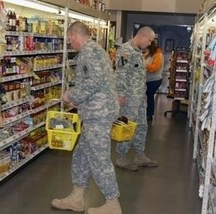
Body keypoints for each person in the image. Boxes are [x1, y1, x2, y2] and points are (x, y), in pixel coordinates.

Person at [51, 21, 121, 214]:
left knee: (99, 157)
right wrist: (79, 100)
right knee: (82, 154)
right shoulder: (96, 50)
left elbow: (93, 83)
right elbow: (97, 82)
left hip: (98, 114)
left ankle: (112, 203)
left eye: (69, 39)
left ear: (74, 35)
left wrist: (71, 96)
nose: (70, 43)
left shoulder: (88, 53)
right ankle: (77, 197)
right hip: (96, 111)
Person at [115, 26, 158, 171]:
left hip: (139, 97)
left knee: (142, 126)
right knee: (128, 127)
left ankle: (140, 155)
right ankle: (121, 157)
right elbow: (120, 74)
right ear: (143, 36)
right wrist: (120, 94)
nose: (150, 44)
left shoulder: (138, 52)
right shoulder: (125, 50)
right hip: (128, 98)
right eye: (150, 40)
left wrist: (143, 94)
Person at [144, 41, 164, 121]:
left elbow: (154, 68)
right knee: (148, 96)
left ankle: (149, 114)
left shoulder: (158, 55)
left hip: (154, 80)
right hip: (149, 79)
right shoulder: (149, 54)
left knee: (150, 96)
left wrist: (144, 65)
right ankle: (148, 113)